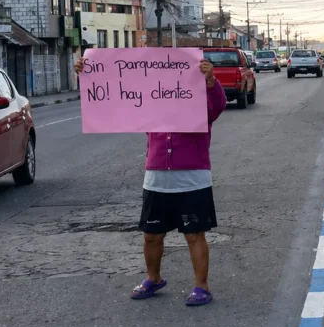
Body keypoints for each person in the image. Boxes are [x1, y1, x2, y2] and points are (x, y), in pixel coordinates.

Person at [74, 55, 227, 306]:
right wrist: (88, 75)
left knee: (194, 234)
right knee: (152, 235)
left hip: (192, 177)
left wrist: (210, 80)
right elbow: (114, 101)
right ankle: (153, 278)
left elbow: (217, 107)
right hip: (157, 176)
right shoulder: (150, 102)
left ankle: (202, 286)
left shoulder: (200, 100)